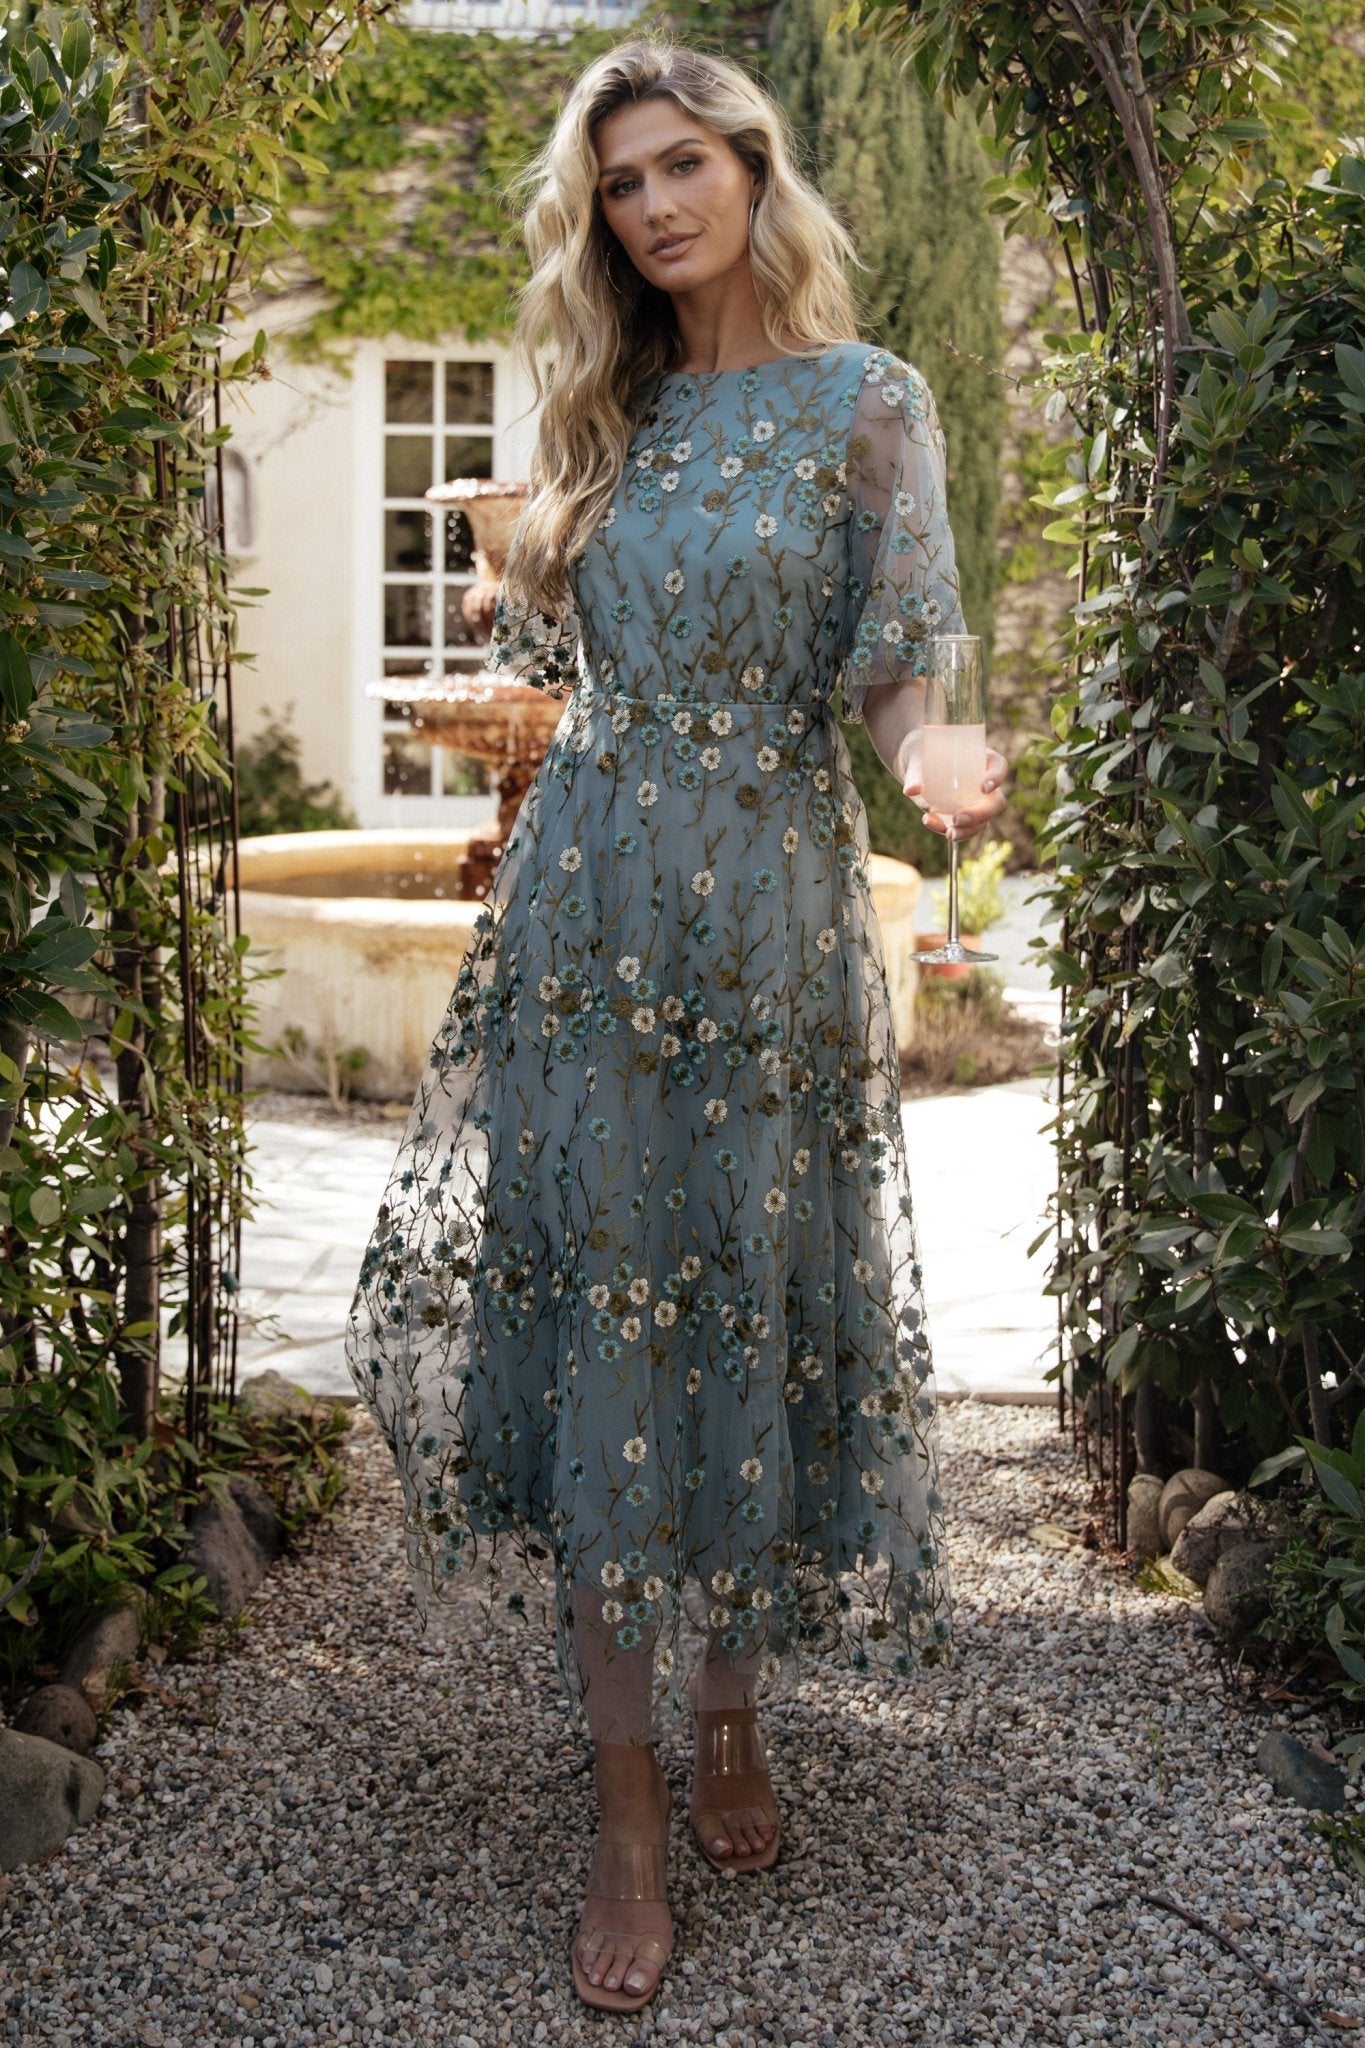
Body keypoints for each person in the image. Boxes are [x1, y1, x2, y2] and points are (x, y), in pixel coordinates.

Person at [343, 35, 1008, 2016]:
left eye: (675, 166)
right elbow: (557, 650)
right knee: (607, 1331)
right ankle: (626, 1820)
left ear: (746, 166)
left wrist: (938, 755)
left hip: (773, 933)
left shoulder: (864, 407)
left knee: (740, 1311)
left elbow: (900, 668)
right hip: (587, 921)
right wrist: (526, 563)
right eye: (617, 181)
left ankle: (736, 1707)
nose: (648, 204)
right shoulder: (599, 408)